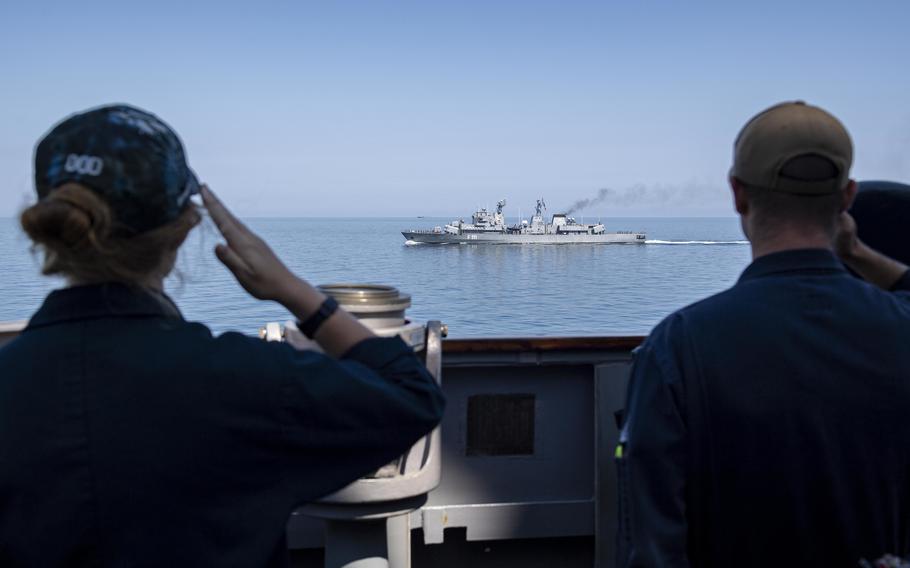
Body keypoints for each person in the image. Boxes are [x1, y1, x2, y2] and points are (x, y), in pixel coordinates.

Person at [0, 105, 445, 566]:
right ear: (183, 228)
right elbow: (413, 397)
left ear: (54, 227)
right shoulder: (248, 381)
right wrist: (294, 291)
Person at [616, 101, 910, 567]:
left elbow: (653, 545)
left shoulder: (676, 346)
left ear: (738, 195)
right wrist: (859, 254)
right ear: (847, 197)